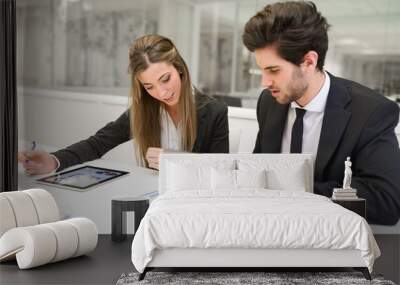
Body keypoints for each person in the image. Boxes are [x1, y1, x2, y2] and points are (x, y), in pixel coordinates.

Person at [242, 1, 400, 225]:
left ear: (309, 61)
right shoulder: (269, 102)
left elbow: (386, 201)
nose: (264, 82)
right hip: (268, 233)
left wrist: (298, 190)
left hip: (330, 249)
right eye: (262, 70)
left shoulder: (371, 112)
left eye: (274, 70)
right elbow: (260, 169)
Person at [18, 34, 229, 174]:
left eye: (165, 79)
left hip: (196, 202)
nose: (161, 92)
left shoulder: (214, 111)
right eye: (149, 86)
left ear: (180, 69)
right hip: (155, 201)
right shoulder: (145, 111)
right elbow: (97, 143)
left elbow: (222, 170)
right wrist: (54, 161)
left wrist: (179, 160)